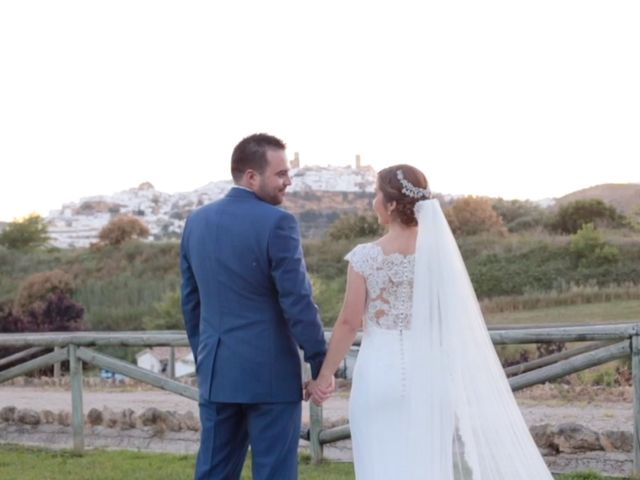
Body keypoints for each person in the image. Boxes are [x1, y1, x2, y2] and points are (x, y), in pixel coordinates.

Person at [307, 165, 554, 479]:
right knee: (426, 466)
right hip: (431, 376)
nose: (373, 202)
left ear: (393, 203)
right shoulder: (439, 254)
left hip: (379, 377)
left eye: (376, 194)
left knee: (379, 463)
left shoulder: (365, 256)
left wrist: (325, 376)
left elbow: (348, 323)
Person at [181, 133, 330, 480]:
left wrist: (206, 358)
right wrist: (320, 361)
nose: (288, 182)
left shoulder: (196, 222)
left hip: (218, 372)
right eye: (280, 174)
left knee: (213, 473)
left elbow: (191, 302)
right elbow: (297, 300)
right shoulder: (279, 223)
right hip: (271, 374)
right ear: (251, 176)